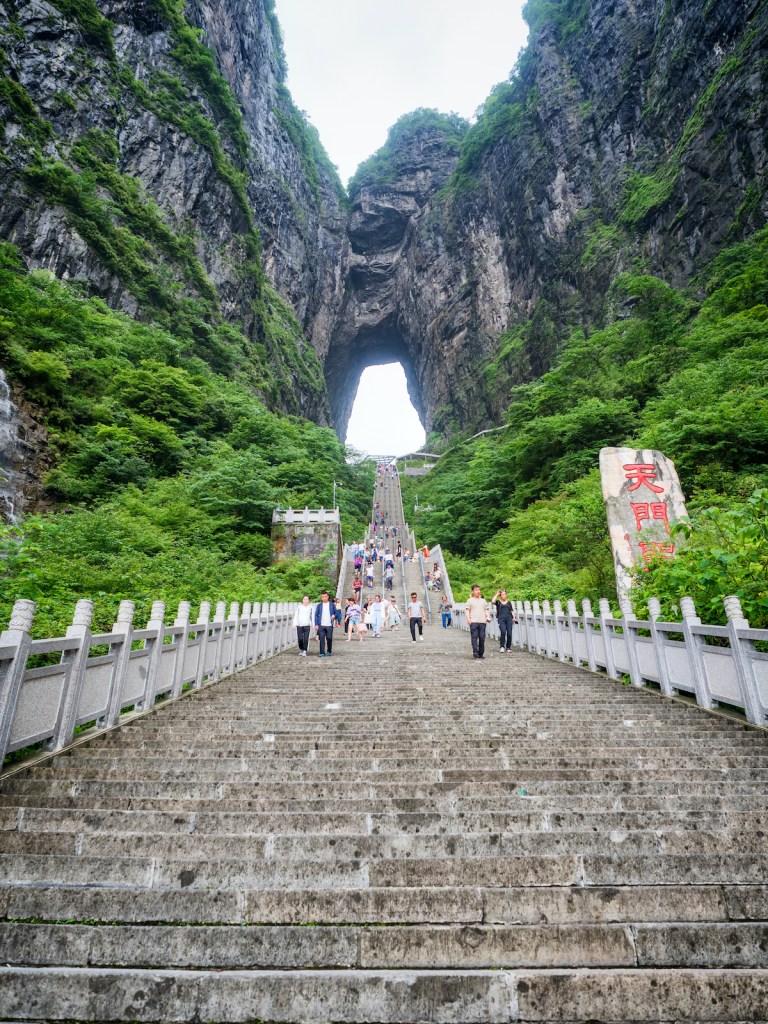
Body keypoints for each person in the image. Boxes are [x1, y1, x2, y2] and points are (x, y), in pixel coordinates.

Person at [465, 584, 490, 660]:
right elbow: (467, 610)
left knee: (482, 638)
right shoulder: (470, 600)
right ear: (473, 591)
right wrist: (468, 618)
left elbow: (486, 609)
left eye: (478, 590)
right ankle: (475, 651)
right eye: (476, 590)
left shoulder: (483, 601)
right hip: (474, 621)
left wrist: (488, 616)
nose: (478, 591)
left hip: (482, 621)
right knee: (474, 637)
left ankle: (481, 653)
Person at [314, 592, 338, 657]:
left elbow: (336, 614)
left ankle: (329, 650)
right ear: (321, 598)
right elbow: (316, 615)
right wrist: (316, 624)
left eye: (325, 596)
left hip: (329, 625)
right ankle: (322, 652)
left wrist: (334, 616)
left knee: (329, 638)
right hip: (321, 624)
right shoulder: (319, 605)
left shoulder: (332, 605)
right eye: (323, 597)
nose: (324, 598)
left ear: (328, 597)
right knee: (321, 638)